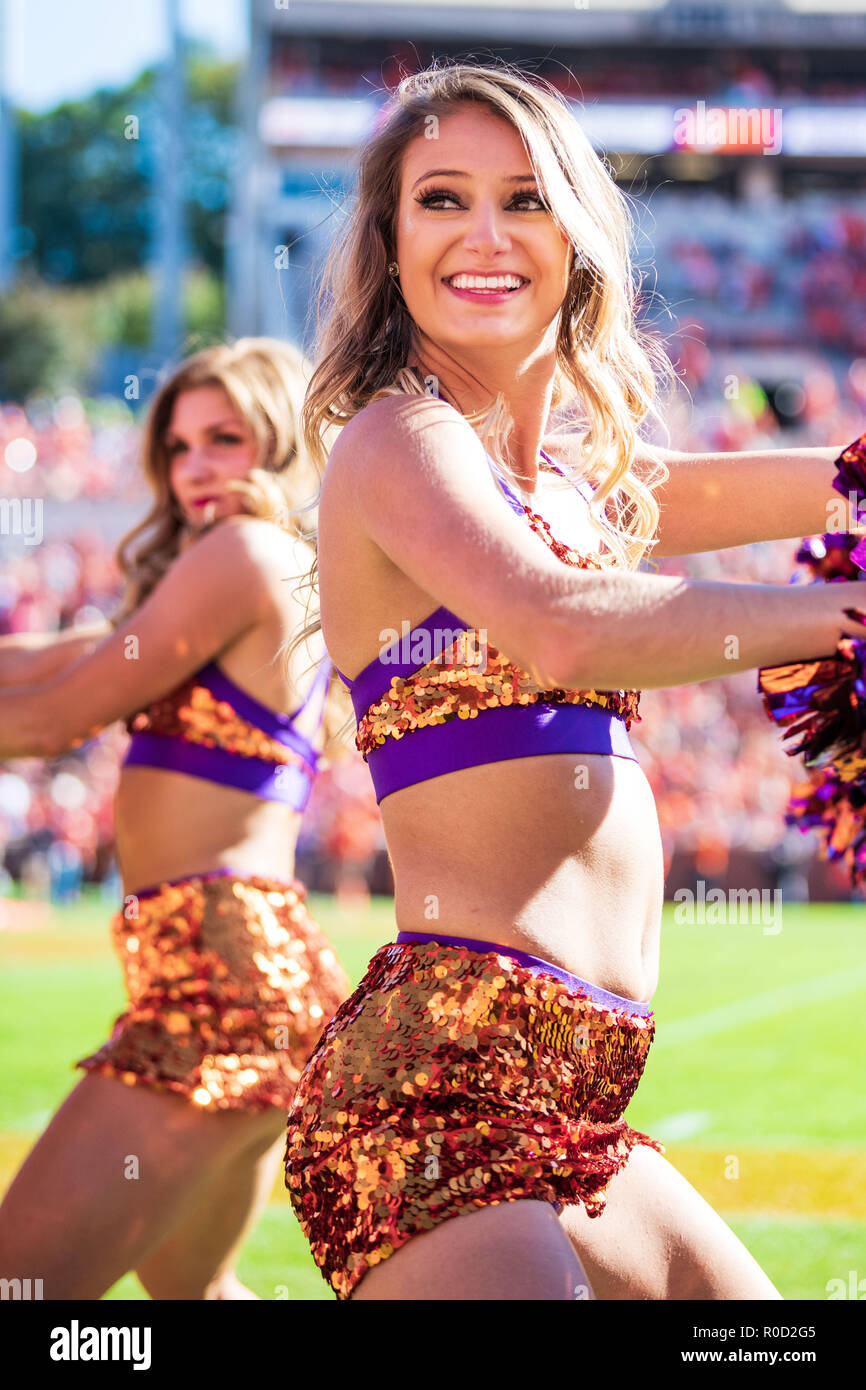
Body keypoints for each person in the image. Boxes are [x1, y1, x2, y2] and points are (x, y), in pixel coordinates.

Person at [283, 60, 865, 1301]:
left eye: (524, 198)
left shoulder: (584, 487)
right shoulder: (399, 441)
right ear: (389, 245)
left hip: (576, 1108)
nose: (484, 236)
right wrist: (847, 617)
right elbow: (565, 625)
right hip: (436, 1101)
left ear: (578, 236)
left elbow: (821, 479)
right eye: (441, 200)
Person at [0, 338, 350, 1299]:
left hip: (222, 983)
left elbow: (50, 718)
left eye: (225, 439)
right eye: (180, 445)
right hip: (244, 975)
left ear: (278, 445)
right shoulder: (251, 566)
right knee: (192, 1300)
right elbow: (42, 665)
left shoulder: (246, 552)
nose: (195, 466)